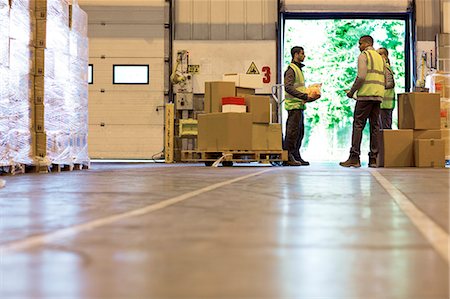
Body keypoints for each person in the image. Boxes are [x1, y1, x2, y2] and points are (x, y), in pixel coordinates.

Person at [340, 35, 385, 168]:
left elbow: (361, 77)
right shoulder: (380, 57)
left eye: (360, 44)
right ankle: (373, 159)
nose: (358, 46)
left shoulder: (364, 56)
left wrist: (351, 92)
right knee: (375, 126)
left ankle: (354, 157)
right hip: (377, 96)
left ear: (366, 44)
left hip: (365, 96)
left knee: (358, 125)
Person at [283, 46, 321, 166]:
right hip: (293, 106)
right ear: (296, 54)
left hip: (299, 106)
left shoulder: (298, 69)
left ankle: (295, 155)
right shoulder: (291, 69)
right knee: (292, 132)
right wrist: (304, 96)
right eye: (302, 53)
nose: (304, 56)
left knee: (299, 132)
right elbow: (288, 87)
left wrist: (309, 94)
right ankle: (288, 156)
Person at [377, 47, 395, 129]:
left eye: (379, 54)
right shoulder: (383, 68)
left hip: (385, 104)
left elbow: (390, 83)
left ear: (385, 56)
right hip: (383, 104)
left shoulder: (385, 68)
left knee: (385, 129)